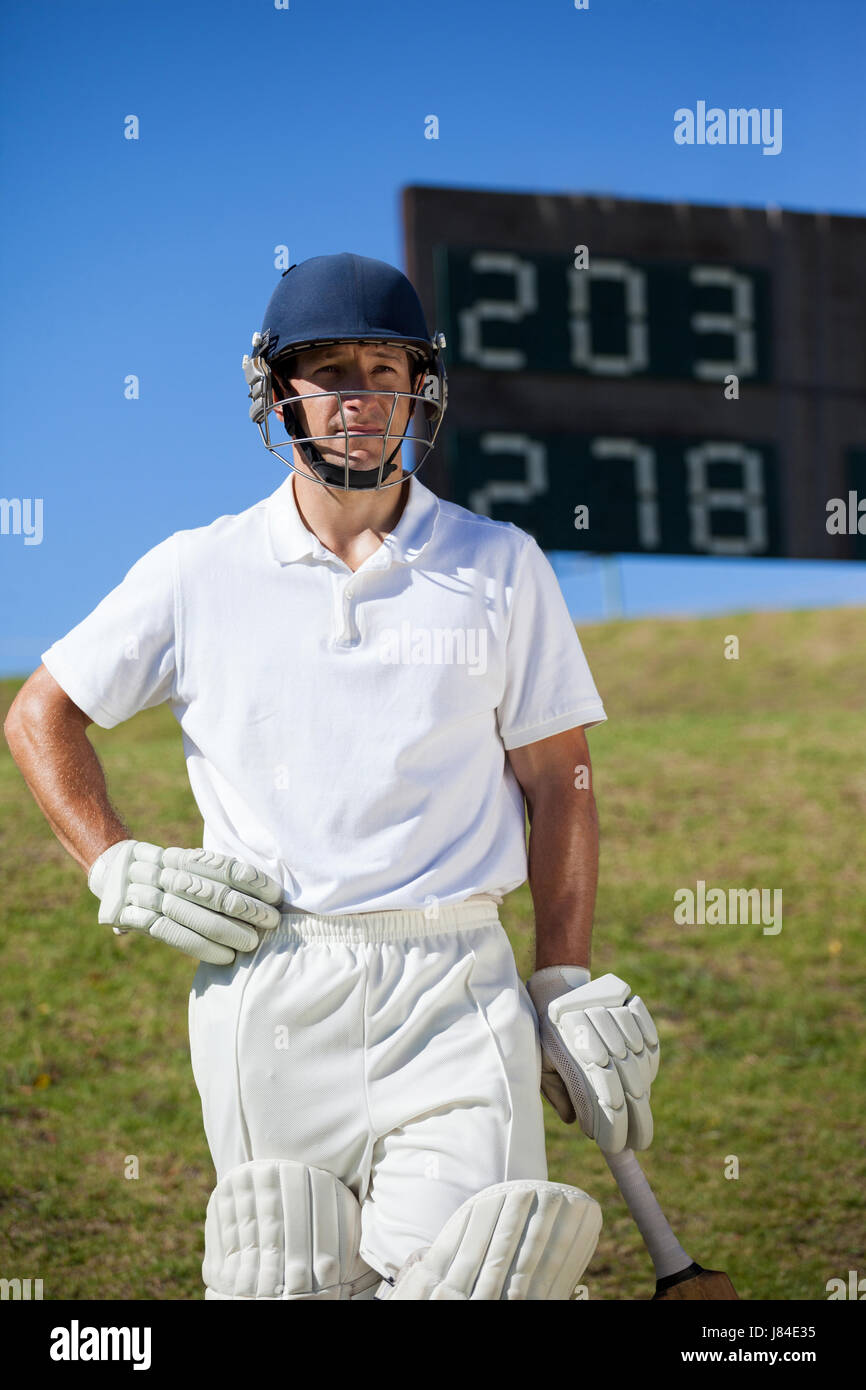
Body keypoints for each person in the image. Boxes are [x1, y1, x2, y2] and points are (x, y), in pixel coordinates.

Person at [3, 252, 660, 1300]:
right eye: (327, 372)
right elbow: (41, 712)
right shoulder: (195, 569)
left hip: (456, 987)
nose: (358, 397)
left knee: (485, 1271)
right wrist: (110, 858)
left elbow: (558, 782)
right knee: (283, 1275)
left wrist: (559, 975)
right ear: (277, 392)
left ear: (419, 388)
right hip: (270, 983)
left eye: (383, 368)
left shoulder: (499, 566)